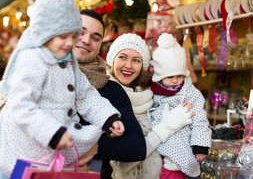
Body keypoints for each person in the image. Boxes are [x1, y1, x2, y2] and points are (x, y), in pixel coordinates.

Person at [0, 0, 124, 177]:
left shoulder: (67, 61)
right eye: (63, 36)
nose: (71, 42)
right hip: (27, 140)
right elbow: (21, 106)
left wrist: (108, 119)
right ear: (45, 32)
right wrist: (52, 133)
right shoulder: (32, 60)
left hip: (58, 137)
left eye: (73, 35)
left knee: (92, 134)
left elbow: (86, 95)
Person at [105, 32, 195, 179]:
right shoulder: (103, 98)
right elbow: (123, 163)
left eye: (136, 60)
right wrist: (166, 128)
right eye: (122, 57)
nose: (128, 65)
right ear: (112, 59)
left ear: (143, 66)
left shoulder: (149, 96)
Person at [73, 9, 147, 179]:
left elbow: (136, 146)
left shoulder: (111, 89)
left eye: (95, 37)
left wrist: (94, 146)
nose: (86, 40)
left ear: (100, 44)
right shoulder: (42, 74)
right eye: (80, 32)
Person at [148, 33, 212, 179]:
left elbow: (200, 120)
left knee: (174, 172)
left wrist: (200, 145)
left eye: (180, 75)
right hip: (155, 146)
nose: (176, 80)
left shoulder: (190, 93)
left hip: (182, 144)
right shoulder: (153, 92)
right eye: (170, 77)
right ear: (159, 75)